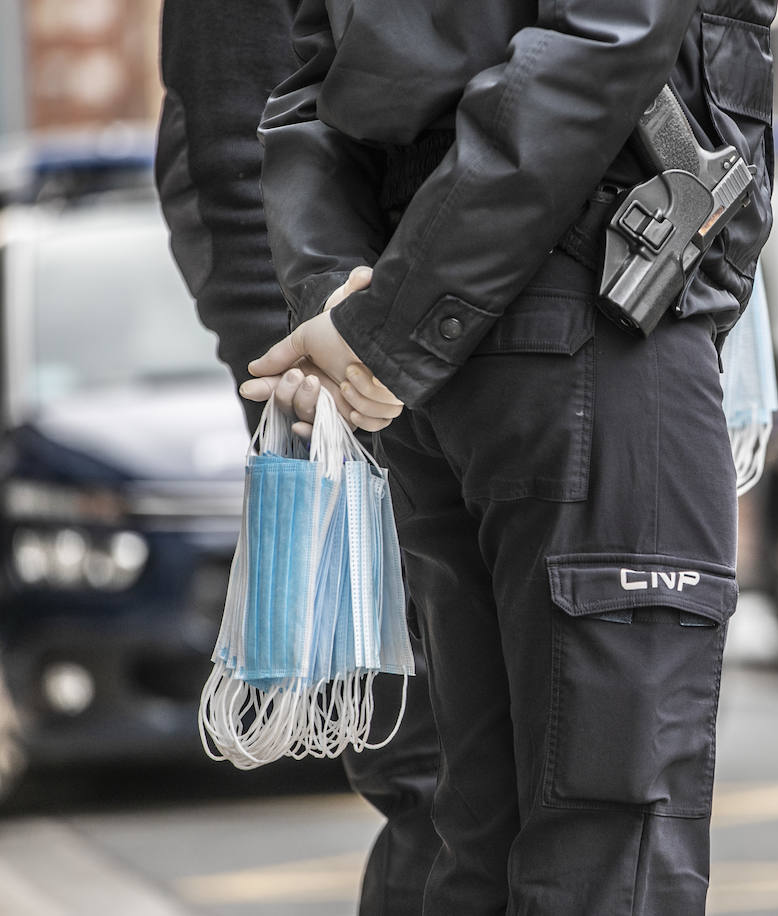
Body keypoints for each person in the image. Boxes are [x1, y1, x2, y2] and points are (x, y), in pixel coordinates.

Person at [246, 0, 776, 911]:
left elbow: (308, 91)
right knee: (611, 838)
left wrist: (349, 305)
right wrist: (386, 324)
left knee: (482, 830)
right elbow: (612, 32)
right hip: (587, 315)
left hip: (440, 342)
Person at [154, 3, 442, 912]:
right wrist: (294, 331)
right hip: (349, 372)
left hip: (452, 343)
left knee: (508, 779)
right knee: (433, 772)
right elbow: (232, 140)